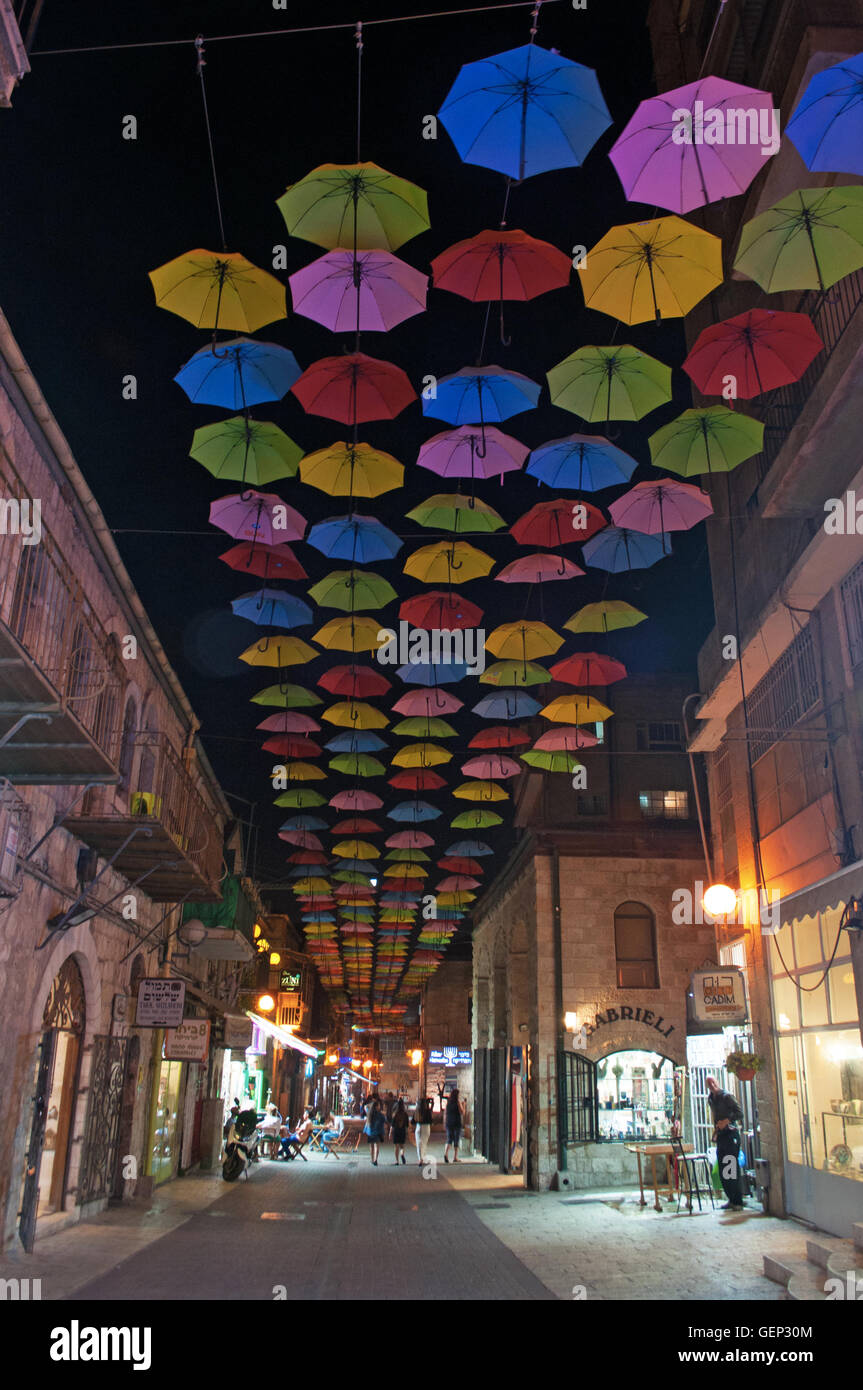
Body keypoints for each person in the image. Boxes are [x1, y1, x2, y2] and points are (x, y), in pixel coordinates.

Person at [706, 1075, 747, 1210]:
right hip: (721, 1136)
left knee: (731, 1167)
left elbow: (739, 1113)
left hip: (731, 1135)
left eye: (713, 1082)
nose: (712, 1085)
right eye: (709, 1083)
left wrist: (727, 1121)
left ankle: (738, 1201)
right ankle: (731, 1199)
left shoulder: (727, 1096)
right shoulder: (711, 1099)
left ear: (717, 1081)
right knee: (724, 1169)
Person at [443, 1087, 465, 1164]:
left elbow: (445, 1114)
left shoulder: (448, 1103)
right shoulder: (458, 1102)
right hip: (456, 1122)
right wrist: (464, 1105)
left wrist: (444, 1123)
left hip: (449, 1123)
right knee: (456, 1139)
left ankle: (445, 1153)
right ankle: (455, 1157)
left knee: (449, 1139)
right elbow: (462, 1112)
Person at [363, 1092, 385, 1164]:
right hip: (378, 1132)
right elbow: (384, 1121)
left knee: (371, 1146)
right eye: (378, 1106)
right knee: (376, 1146)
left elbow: (365, 1107)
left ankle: (372, 1159)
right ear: (376, 1107)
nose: (379, 1107)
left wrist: (371, 1104)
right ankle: (375, 1160)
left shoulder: (369, 1114)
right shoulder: (380, 1114)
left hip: (370, 1132)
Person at [413, 1094, 434, 1166]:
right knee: (424, 1143)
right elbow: (431, 1120)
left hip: (418, 1126)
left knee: (418, 1143)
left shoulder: (417, 1111)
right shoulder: (427, 1110)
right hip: (426, 1127)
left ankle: (420, 1158)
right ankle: (423, 1158)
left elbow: (413, 1121)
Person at [391, 1097, 409, 1164]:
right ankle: (402, 1154)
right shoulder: (405, 1114)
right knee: (402, 1146)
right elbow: (407, 1125)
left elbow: (392, 1124)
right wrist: (407, 1133)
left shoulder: (395, 1114)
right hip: (402, 1130)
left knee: (396, 1146)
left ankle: (397, 1161)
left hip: (396, 1130)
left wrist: (390, 1133)